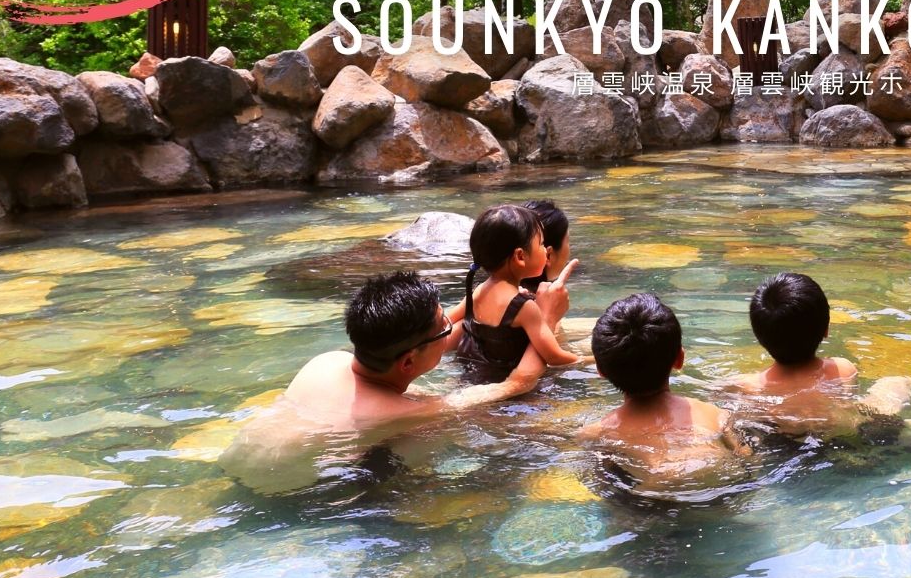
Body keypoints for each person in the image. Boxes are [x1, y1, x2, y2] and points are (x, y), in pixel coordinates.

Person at [219, 271, 544, 493]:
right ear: (407, 361)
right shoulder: (404, 414)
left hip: (237, 470)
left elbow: (399, 391)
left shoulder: (326, 361)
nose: (450, 327)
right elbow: (516, 384)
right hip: (291, 495)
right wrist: (544, 322)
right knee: (435, 433)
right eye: (444, 328)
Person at [579, 292, 746, 495]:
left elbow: (601, 483)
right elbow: (747, 458)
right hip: (721, 490)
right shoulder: (717, 414)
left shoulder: (597, 433)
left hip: (652, 498)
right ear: (679, 359)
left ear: (600, 370)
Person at [725, 272, 911, 437]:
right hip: (837, 431)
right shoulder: (842, 369)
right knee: (897, 382)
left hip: (783, 442)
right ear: (826, 330)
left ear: (758, 337)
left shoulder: (744, 386)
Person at [450, 203, 580, 383]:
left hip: (469, 380)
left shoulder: (479, 290)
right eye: (542, 244)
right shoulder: (524, 307)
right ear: (520, 257)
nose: (546, 250)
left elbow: (447, 322)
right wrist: (590, 362)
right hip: (512, 396)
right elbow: (554, 357)